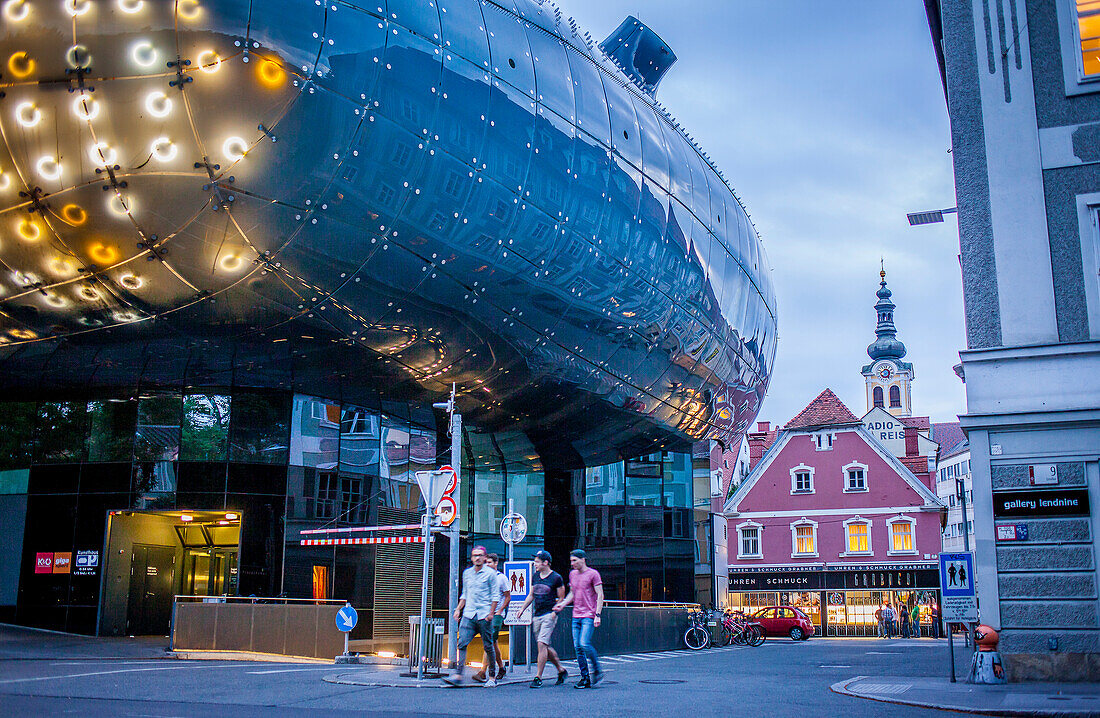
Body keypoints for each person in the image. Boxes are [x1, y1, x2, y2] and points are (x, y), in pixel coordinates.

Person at [444, 545, 499, 688]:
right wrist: (458, 609)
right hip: (469, 614)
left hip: (484, 615)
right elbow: (465, 594)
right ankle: (458, 674)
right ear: (472, 558)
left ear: (485, 557)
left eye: (480, 555)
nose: (477, 558)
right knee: (461, 643)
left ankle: (492, 677)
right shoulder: (467, 573)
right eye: (475, 555)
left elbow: (495, 595)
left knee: (488, 646)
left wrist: (491, 613)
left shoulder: (490, 574)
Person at [516, 550, 568, 688]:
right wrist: (522, 608)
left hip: (548, 615)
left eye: (538, 561)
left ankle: (538, 677)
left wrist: (555, 612)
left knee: (541, 644)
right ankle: (561, 670)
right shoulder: (535, 576)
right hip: (537, 615)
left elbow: (561, 597)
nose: (535, 564)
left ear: (546, 563)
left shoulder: (556, 578)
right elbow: (531, 594)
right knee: (545, 646)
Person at [554, 549, 604, 688]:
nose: (572, 563)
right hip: (576, 615)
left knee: (584, 643)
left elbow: (600, 595)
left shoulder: (593, 574)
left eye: (575, 560)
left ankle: (597, 669)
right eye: (571, 561)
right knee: (578, 647)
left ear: (583, 559)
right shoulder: (572, 574)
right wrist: (562, 604)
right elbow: (572, 593)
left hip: (589, 615)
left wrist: (597, 615)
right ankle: (585, 678)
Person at [472, 553, 510, 682]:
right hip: (486, 614)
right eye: (486, 562)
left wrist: (500, 610)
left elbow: (507, 596)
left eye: (489, 562)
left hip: (497, 615)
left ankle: (483, 671)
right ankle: (501, 667)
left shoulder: (501, 578)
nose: (487, 565)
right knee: (492, 642)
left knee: (489, 641)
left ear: (495, 564)